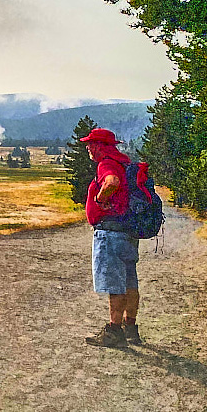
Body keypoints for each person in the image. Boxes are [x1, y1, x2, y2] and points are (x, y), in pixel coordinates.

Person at [80, 128, 142, 349]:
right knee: (129, 281)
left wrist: (98, 198)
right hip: (126, 231)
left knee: (115, 284)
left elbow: (112, 182)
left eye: (90, 144)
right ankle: (130, 328)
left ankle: (114, 332)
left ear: (98, 146)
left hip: (110, 232)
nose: (87, 147)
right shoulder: (122, 162)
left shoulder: (106, 163)